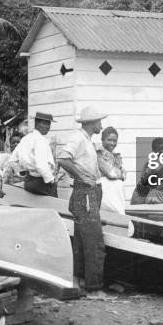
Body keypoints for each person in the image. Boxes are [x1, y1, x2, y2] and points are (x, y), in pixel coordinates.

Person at [57, 106, 106, 295]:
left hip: (86, 192)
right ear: (92, 122)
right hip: (85, 193)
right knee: (94, 241)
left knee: (80, 240)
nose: (101, 124)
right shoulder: (78, 138)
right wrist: (82, 177)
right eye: (99, 121)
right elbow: (63, 158)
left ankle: (76, 280)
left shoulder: (87, 140)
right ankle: (94, 287)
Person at [10, 112, 58, 196]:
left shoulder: (25, 139)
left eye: (49, 124)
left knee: (33, 207)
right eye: (45, 123)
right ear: (37, 123)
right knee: (54, 208)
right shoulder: (41, 140)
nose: (48, 127)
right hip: (42, 183)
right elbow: (41, 165)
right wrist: (51, 180)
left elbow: (12, 160)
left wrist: (21, 174)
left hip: (29, 181)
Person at [130, 138, 163, 210]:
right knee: (135, 199)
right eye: (157, 149)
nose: (161, 152)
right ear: (153, 151)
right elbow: (142, 183)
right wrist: (151, 171)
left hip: (162, 193)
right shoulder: (148, 164)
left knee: (151, 196)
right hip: (148, 192)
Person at [96, 127, 126, 214]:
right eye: (109, 140)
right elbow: (111, 173)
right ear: (102, 140)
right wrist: (120, 173)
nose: (112, 143)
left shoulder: (115, 156)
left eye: (114, 140)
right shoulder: (99, 154)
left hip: (115, 194)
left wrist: (119, 173)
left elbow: (124, 175)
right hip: (105, 192)